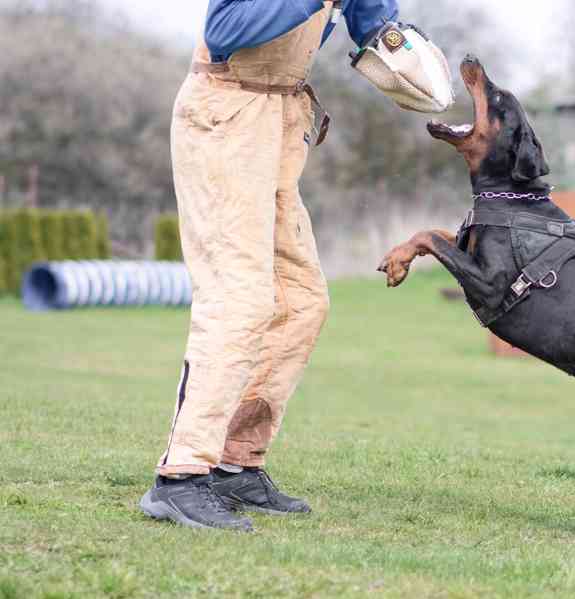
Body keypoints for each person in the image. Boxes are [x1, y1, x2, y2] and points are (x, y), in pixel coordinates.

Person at [139, 0, 422, 531]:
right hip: (223, 117)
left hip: (281, 118)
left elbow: (372, 23)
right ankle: (179, 478)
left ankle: (235, 463)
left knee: (301, 301)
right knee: (238, 300)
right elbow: (224, 31)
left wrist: (399, 47)